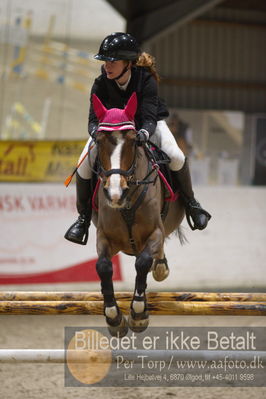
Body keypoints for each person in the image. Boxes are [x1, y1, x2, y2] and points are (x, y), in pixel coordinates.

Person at [64, 32, 211, 245]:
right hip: (110, 131)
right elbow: (92, 121)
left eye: (112, 61)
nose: (107, 65)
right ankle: (83, 218)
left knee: (176, 156)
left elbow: (150, 118)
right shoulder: (100, 83)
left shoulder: (146, 80)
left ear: (128, 63)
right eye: (105, 61)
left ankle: (192, 204)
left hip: (147, 125)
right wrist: (97, 134)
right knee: (83, 164)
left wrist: (142, 133)